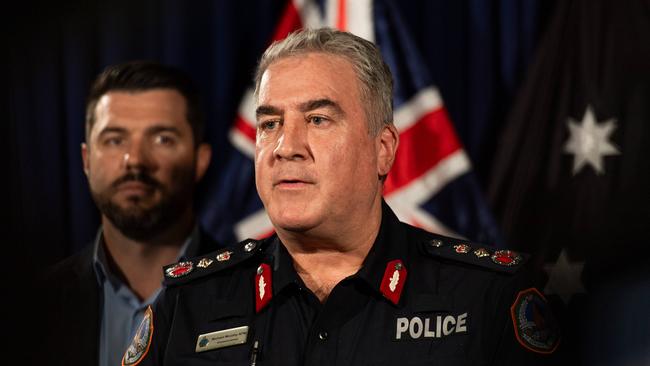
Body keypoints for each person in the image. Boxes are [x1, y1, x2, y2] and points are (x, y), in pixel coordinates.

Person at [126, 29, 560, 366]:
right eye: (269, 123)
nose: (285, 146)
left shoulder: (487, 298)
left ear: (383, 148)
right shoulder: (186, 305)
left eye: (317, 119)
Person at [38, 61, 223, 366]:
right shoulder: (29, 310)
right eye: (114, 140)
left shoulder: (258, 300)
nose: (134, 160)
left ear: (199, 161)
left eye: (162, 138)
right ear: (86, 160)